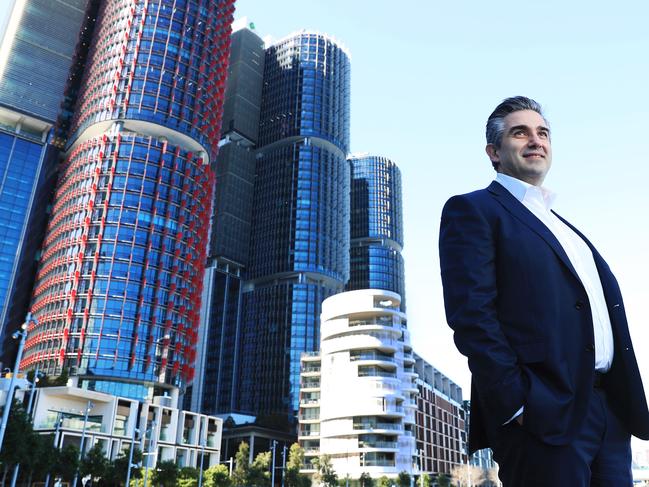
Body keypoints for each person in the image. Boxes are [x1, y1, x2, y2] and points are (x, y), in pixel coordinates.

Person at [438, 96, 649, 486]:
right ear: (494, 153)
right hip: (542, 416)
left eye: (543, 133)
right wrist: (516, 403)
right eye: (520, 132)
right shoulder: (474, 210)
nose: (536, 140)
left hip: (608, 414)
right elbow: (472, 315)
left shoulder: (565, 228)